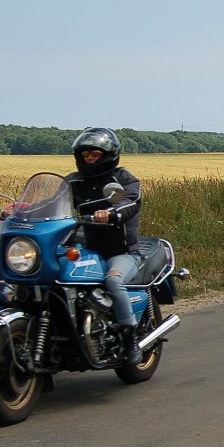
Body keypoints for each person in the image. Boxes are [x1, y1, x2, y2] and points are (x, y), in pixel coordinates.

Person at [67, 127, 144, 365]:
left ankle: (130, 336)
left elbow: (131, 202)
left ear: (108, 155)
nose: (89, 159)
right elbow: (50, 199)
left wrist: (110, 213)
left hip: (120, 252)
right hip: (86, 249)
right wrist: (22, 209)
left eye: (95, 154)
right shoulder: (74, 180)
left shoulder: (124, 180)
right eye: (85, 154)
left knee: (113, 281)